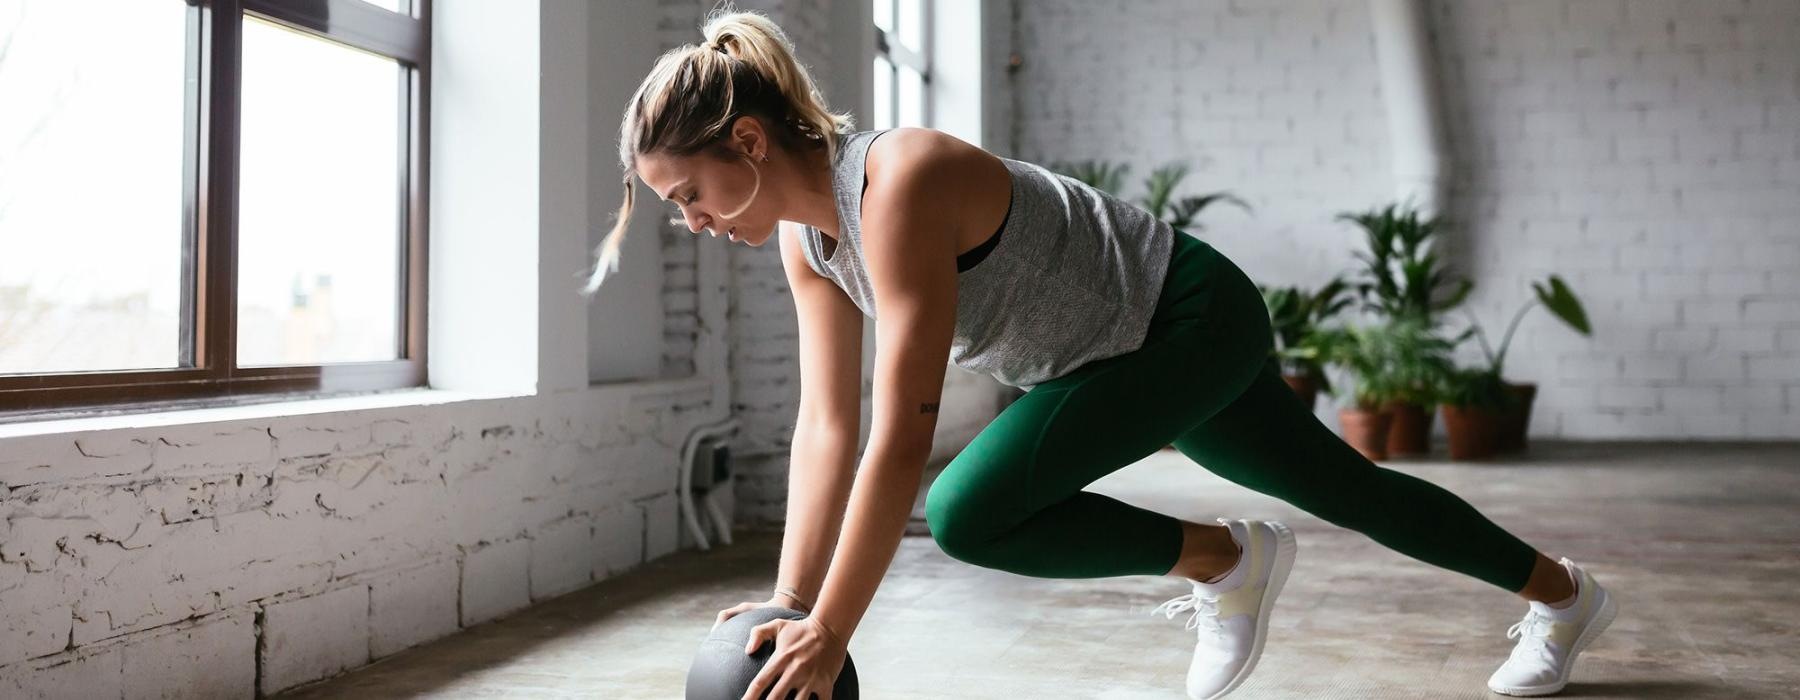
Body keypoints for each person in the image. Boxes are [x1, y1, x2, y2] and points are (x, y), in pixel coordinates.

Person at [584, 8, 1618, 700]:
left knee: (966, 508)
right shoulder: (809, 247)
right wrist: (790, 604)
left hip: (1187, 317)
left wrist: (834, 630)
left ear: (751, 146)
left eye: (688, 195)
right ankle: (1566, 594)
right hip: (1108, 357)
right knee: (1348, 489)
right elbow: (827, 426)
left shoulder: (896, 182)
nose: (691, 223)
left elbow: (899, 429)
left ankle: (1233, 560)